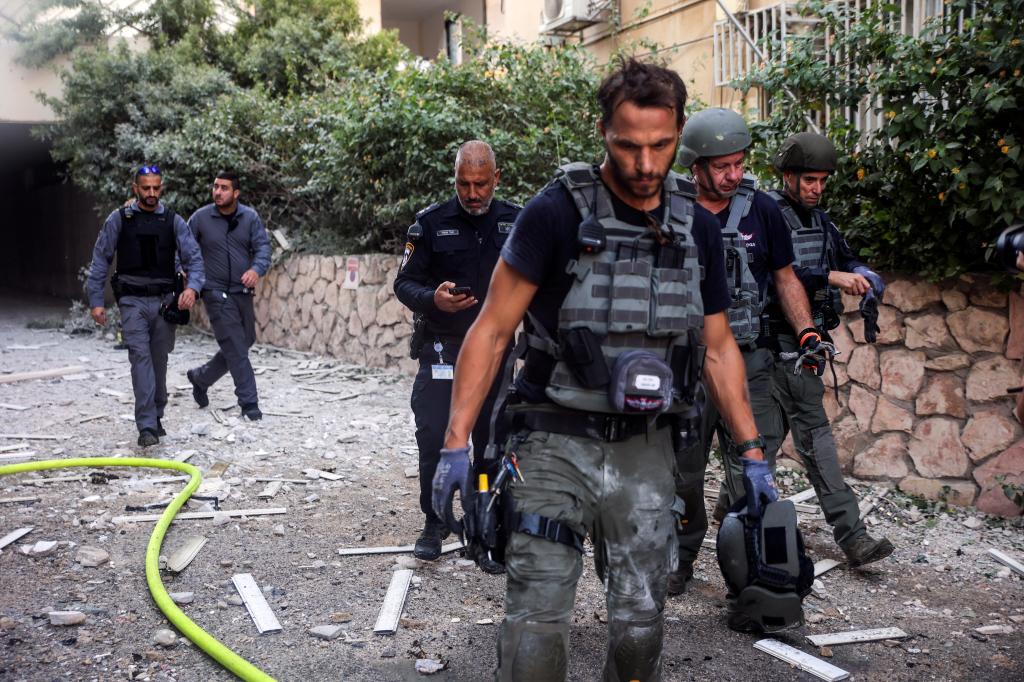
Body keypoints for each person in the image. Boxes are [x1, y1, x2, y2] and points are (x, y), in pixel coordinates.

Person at [432, 60, 775, 681]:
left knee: (641, 632)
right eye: (628, 145)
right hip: (552, 441)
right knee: (536, 629)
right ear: (602, 133)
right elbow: (491, 329)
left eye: (661, 146)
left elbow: (719, 347)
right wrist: (456, 444)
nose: (646, 165)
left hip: (646, 449)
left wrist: (751, 454)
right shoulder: (555, 214)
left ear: (678, 137)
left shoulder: (696, 226)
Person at [669, 108, 820, 596]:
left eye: (739, 164)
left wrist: (807, 332)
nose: (734, 174)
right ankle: (681, 554)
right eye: (722, 167)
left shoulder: (763, 209)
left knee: (750, 468)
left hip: (749, 358)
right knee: (683, 472)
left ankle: (750, 572)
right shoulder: (671, 210)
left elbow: (784, 276)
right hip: (688, 365)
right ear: (695, 164)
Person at [760, 132, 894, 567]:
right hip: (773, 344)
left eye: (822, 180)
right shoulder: (767, 216)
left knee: (764, 441)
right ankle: (853, 537)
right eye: (810, 180)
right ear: (788, 177)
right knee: (815, 440)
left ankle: (731, 508)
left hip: (807, 347)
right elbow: (777, 275)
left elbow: (846, 257)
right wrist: (832, 277)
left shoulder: (821, 222)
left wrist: (862, 273)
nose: (817, 188)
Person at [393, 140, 521, 562]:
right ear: (455, 180)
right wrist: (433, 298)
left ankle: (484, 527)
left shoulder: (517, 222)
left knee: (489, 443)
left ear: (496, 179)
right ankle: (435, 522)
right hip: (442, 351)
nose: (472, 193)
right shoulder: (430, 223)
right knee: (434, 437)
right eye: (464, 184)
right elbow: (404, 283)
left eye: (480, 184)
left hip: (496, 355)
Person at [87, 165, 204, 447]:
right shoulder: (120, 219)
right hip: (131, 301)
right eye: (146, 188)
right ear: (135, 188)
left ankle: (157, 413)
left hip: (165, 301)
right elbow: (101, 258)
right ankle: (147, 426)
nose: (151, 193)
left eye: (156, 188)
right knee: (140, 358)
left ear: (161, 188)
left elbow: (195, 259)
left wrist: (192, 288)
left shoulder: (174, 221)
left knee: (159, 361)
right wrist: (96, 301)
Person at [185, 171, 271, 421]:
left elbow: (263, 248)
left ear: (236, 193)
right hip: (214, 291)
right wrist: (191, 282)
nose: (218, 192)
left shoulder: (249, 217)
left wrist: (256, 269)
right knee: (235, 345)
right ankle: (249, 403)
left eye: (224, 188)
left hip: (242, 291)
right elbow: (185, 251)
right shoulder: (200, 218)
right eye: (215, 187)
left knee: (245, 340)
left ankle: (201, 378)